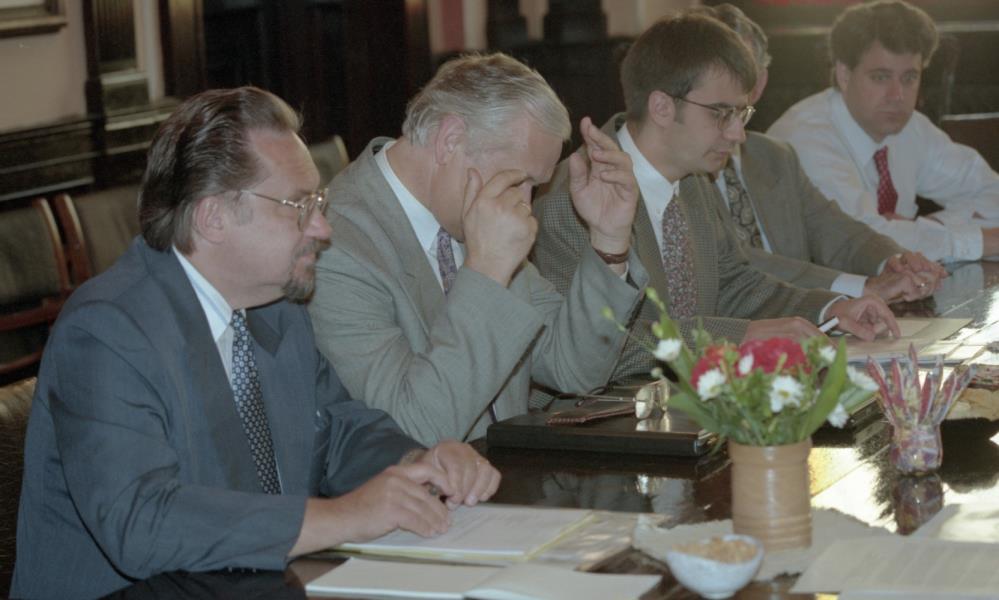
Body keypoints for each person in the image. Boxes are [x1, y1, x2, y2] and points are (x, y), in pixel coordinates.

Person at [12, 87, 500, 599]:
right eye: (300, 206)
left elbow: (335, 429)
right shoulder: (108, 332)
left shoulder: (274, 306)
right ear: (213, 217)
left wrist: (416, 465)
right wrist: (343, 516)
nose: (322, 227)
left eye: (319, 202)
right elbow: (142, 522)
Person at [533, 14, 899, 380]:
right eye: (722, 114)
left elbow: (733, 282)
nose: (738, 134)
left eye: (741, 114)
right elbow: (600, 346)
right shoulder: (574, 197)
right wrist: (740, 336)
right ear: (662, 107)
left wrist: (828, 309)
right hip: (603, 412)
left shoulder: (693, 179)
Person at [308, 53, 648, 445]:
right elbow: (410, 433)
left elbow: (574, 368)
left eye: (535, 186)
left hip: (513, 474)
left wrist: (608, 240)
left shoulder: (472, 212)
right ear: (451, 140)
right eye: (518, 181)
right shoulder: (335, 246)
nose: (525, 204)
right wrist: (486, 270)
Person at [693, 3, 946, 302]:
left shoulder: (774, 155)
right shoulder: (682, 168)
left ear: (760, 82)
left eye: (741, 72)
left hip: (811, 319)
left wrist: (895, 262)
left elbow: (836, 231)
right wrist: (863, 287)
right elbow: (737, 265)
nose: (728, 87)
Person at [768, 0, 999, 262]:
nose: (897, 95)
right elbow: (864, 242)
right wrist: (980, 241)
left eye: (909, 78)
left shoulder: (911, 128)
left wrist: (930, 228)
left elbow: (992, 193)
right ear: (844, 75)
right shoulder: (806, 138)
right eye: (880, 77)